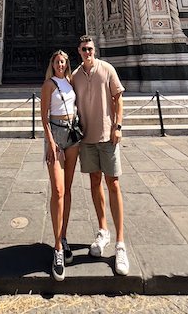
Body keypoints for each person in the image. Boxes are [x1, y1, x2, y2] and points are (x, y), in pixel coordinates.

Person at [72, 35, 129, 276]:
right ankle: (103, 231)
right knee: (94, 181)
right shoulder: (74, 76)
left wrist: (118, 126)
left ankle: (120, 242)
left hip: (107, 136)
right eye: (84, 49)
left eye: (90, 49)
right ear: (79, 51)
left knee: (113, 183)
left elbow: (118, 99)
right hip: (86, 137)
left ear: (94, 50)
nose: (88, 52)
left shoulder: (107, 69)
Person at [41, 50, 80, 281]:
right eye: (56, 61)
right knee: (58, 190)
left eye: (63, 61)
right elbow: (43, 116)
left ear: (66, 64)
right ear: (53, 64)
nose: (60, 64)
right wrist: (50, 142)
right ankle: (57, 246)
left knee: (67, 189)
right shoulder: (49, 84)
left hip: (72, 135)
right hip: (54, 135)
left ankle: (62, 238)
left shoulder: (71, 82)